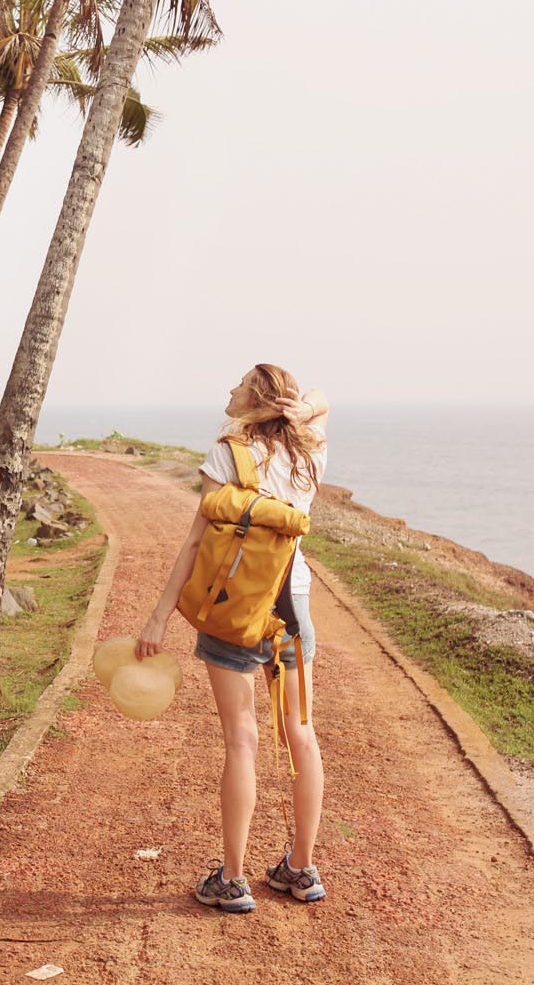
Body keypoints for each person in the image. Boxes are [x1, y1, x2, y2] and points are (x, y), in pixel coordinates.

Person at [135, 363, 331, 914]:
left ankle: (234, 879)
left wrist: (159, 617)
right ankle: (301, 868)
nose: (229, 389)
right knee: (302, 733)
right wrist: (304, 409)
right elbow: (323, 402)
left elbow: (197, 543)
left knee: (242, 739)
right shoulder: (310, 450)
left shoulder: (227, 452)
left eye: (240, 383)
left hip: (232, 611)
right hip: (293, 609)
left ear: (257, 398)